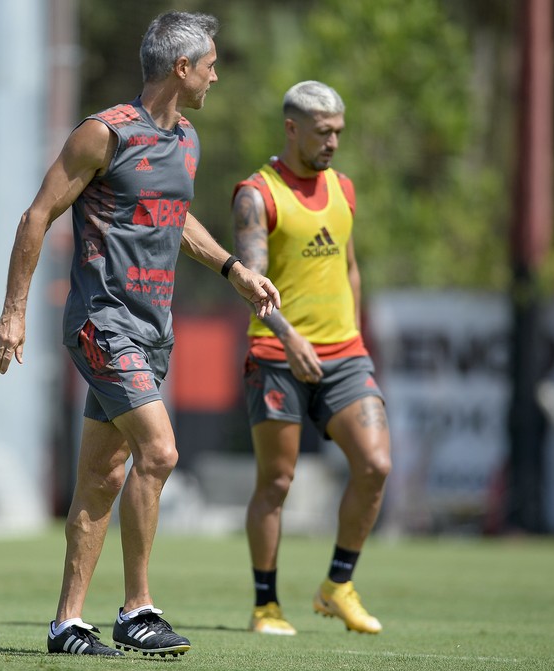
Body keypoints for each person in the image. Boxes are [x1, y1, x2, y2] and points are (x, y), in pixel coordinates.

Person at [0, 11, 280, 658]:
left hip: (152, 331)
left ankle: (67, 623)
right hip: (103, 322)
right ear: (182, 68)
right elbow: (37, 216)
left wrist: (233, 268)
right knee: (162, 452)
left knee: (102, 473)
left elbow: (175, 217)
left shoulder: (187, 140)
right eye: (209, 64)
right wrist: (13, 311)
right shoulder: (104, 134)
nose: (215, 74)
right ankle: (137, 608)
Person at [232, 80, 391, 636]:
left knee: (375, 465)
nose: (333, 143)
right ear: (292, 128)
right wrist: (291, 337)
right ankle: (266, 605)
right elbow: (252, 283)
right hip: (277, 353)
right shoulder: (258, 193)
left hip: (344, 353)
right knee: (277, 484)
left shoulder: (343, 187)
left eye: (339, 133)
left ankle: (337, 586)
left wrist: (355, 333)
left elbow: (350, 266)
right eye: (324, 133)